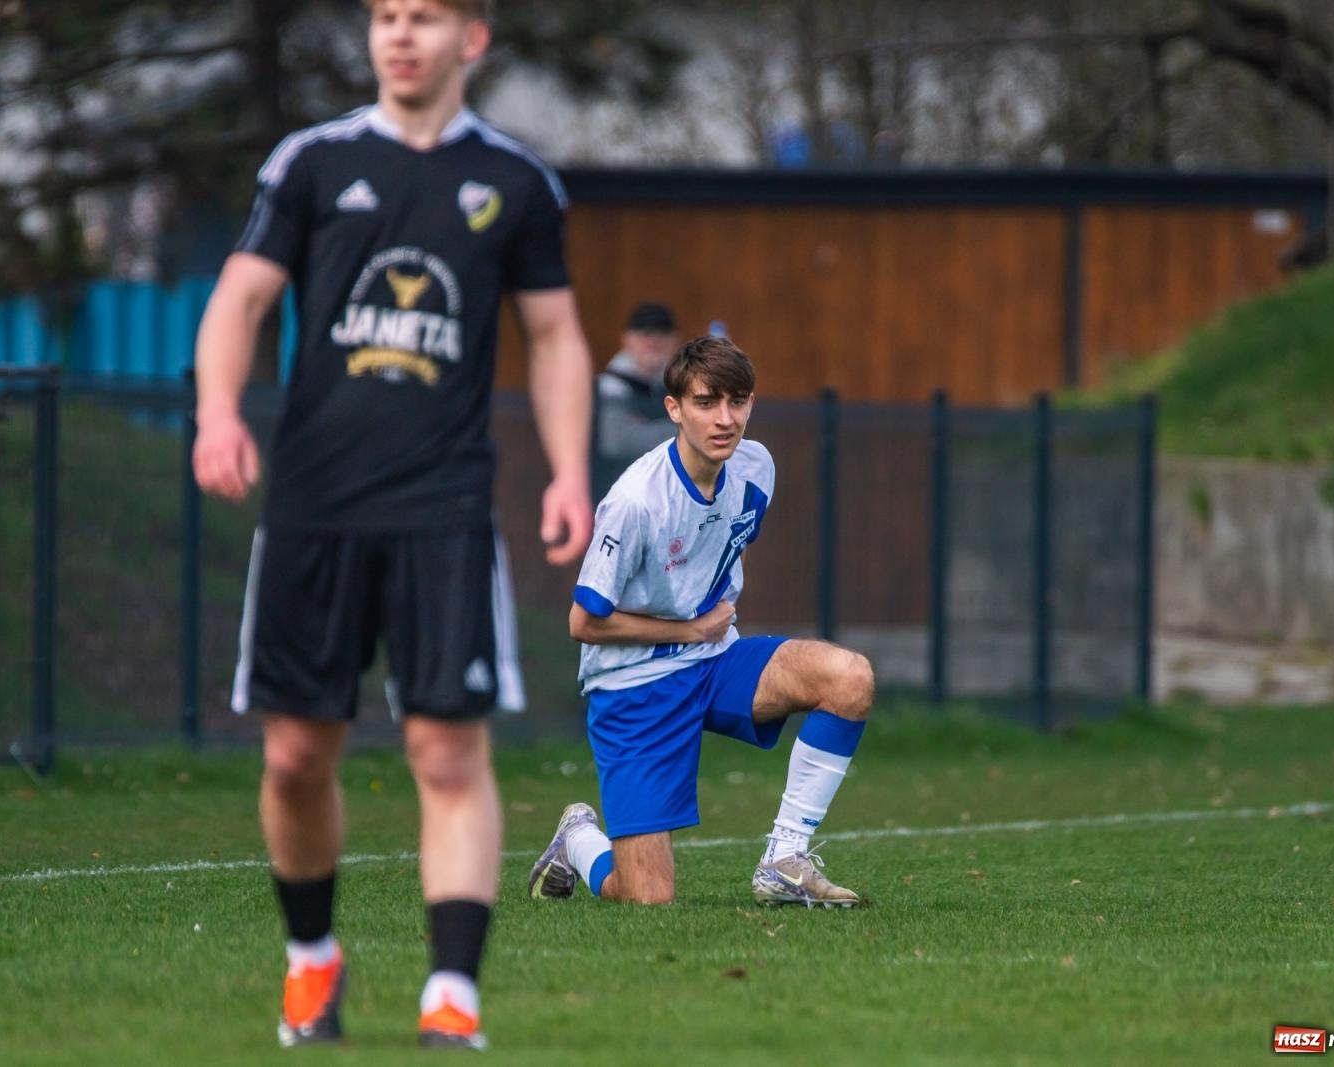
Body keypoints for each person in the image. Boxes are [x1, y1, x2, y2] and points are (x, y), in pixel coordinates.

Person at [191, 0, 593, 1050]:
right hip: (314, 509)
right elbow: (239, 301)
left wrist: (568, 473)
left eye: (423, 16)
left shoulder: (514, 182)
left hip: (442, 509)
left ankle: (450, 993)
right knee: (293, 755)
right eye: (384, 15)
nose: (399, 34)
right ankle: (311, 965)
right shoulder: (312, 163)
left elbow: (553, 337)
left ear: (473, 37)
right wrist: (219, 412)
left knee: (448, 752)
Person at [527, 336, 874, 909]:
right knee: (645, 898)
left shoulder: (756, 467)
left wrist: (702, 634)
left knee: (849, 677)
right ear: (674, 409)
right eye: (707, 402)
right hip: (631, 685)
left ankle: (784, 860)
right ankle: (579, 840)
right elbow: (583, 623)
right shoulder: (636, 501)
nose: (724, 418)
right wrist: (688, 629)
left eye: (737, 402)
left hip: (713, 661)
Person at [592, 302, 680, 496]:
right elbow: (617, 442)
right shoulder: (609, 387)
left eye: (662, 333)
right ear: (626, 339)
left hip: (668, 499)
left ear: (675, 341)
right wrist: (684, 430)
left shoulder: (681, 386)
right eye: (645, 333)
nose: (653, 341)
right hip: (616, 497)